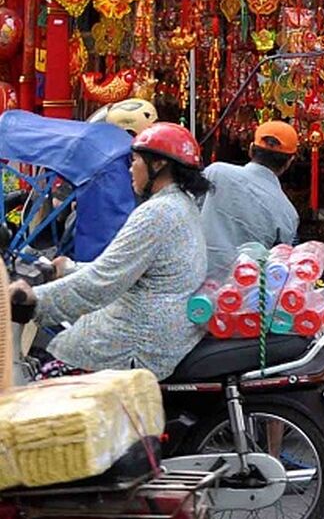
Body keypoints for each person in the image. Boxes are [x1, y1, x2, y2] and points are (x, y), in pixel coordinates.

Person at [14, 123, 208, 379]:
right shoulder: (182, 204)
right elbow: (125, 268)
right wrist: (70, 268)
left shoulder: (157, 213)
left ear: (158, 165)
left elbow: (103, 280)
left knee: (46, 383)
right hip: (166, 330)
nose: (130, 168)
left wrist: (34, 300)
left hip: (138, 341)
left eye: (136, 160)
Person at [200, 120, 301, 281]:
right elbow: (278, 266)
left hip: (194, 284)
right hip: (245, 296)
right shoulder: (288, 212)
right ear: (289, 161)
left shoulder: (215, 173)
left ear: (251, 149)